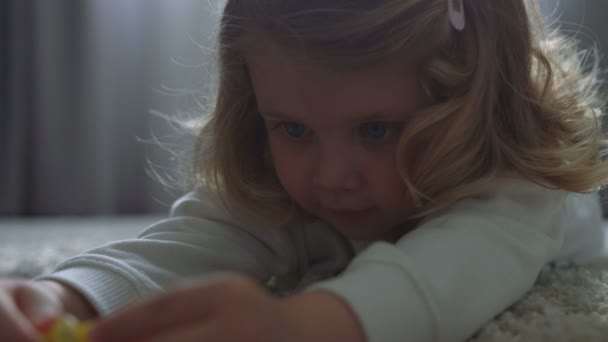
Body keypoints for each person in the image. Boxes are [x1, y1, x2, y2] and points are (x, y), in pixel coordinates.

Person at [2, 0, 607, 341]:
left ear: (470, 103)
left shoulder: (521, 190)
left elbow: (430, 287)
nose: (331, 176)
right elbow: (178, 249)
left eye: (377, 130)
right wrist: (61, 295)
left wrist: (292, 327)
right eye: (293, 129)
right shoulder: (292, 184)